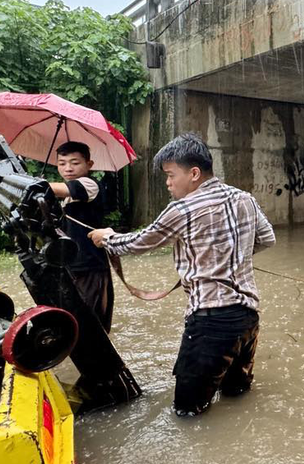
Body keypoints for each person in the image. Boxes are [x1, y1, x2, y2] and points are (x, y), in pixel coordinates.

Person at [87, 133, 276, 417]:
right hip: (248, 319)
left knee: (187, 413)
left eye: (171, 175)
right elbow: (267, 238)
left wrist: (107, 237)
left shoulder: (183, 209)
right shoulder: (244, 198)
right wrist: (226, 258)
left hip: (210, 325)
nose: (168, 182)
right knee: (236, 398)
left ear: (195, 173)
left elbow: (140, 242)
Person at [47, 141, 114, 332]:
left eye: (75, 163)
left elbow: (58, 189)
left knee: (89, 323)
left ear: (89, 165)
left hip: (89, 265)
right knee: (71, 320)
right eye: (62, 163)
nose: (68, 168)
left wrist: (35, 183)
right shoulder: (64, 195)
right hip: (69, 264)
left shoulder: (89, 185)